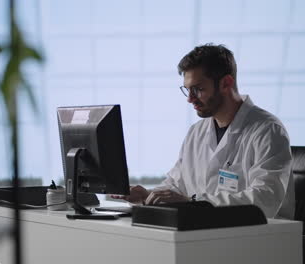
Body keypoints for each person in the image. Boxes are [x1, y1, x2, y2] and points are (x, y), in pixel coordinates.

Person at [113, 43, 294, 219]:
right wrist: (147, 195)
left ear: (226, 83)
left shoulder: (267, 130)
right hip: (206, 232)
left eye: (198, 89)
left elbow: (265, 199)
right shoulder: (196, 133)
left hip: (259, 237)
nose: (190, 99)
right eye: (187, 90)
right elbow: (177, 186)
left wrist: (194, 203)